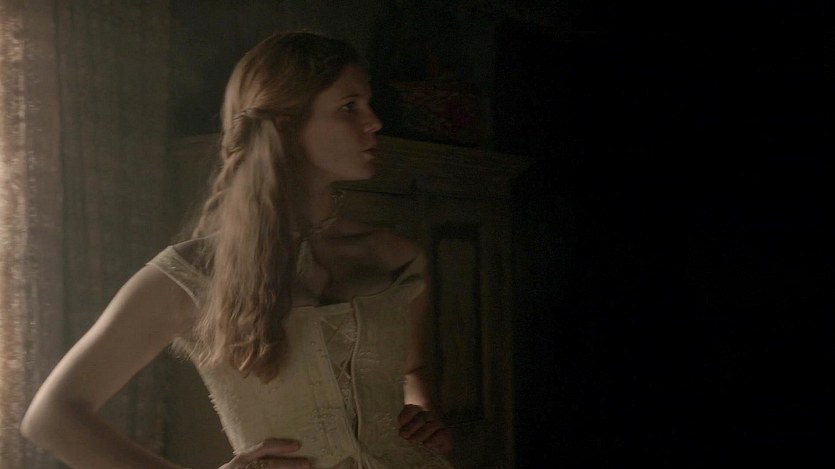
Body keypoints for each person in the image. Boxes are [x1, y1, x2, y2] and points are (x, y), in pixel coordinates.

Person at [21, 31, 454, 469]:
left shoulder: (394, 257)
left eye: (367, 104)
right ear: (285, 124)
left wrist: (424, 414)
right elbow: (52, 418)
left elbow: (411, 371)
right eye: (349, 107)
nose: (374, 122)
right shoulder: (191, 275)